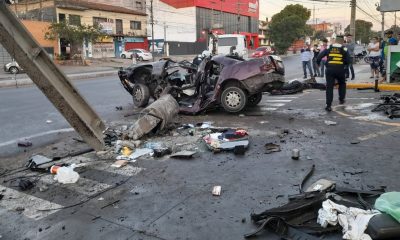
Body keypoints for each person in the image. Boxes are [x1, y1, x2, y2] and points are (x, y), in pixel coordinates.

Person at [317, 35, 350, 112]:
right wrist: (344, 65)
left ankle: (328, 105)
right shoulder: (344, 49)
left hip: (330, 70)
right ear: (342, 41)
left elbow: (319, 56)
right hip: (340, 69)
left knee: (329, 87)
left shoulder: (329, 48)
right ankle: (341, 99)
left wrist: (318, 63)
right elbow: (348, 61)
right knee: (342, 83)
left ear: (335, 41)